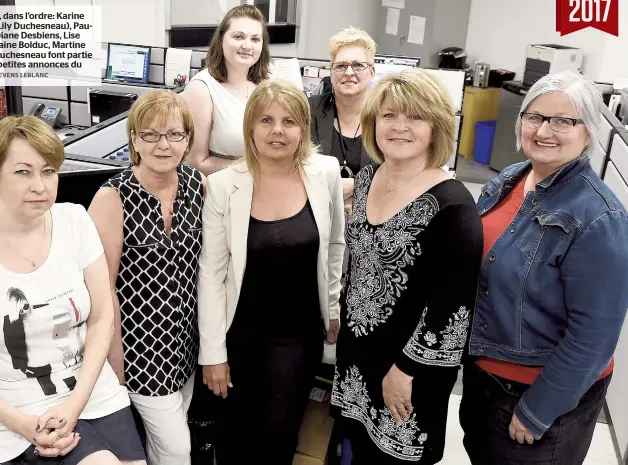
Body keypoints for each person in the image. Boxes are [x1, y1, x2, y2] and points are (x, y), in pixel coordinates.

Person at [0, 115, 146, 465]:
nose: (40, 186)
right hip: (17, 405)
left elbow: (103, 317)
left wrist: (76, 402)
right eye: (23, 172)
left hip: (91, 390)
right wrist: (22, 424)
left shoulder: (74, 221)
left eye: (48, 171)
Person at [459, 71, 628, 465]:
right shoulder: (508, 181)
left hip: (538, 398)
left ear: (588, 133)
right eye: (534, 117)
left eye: (563, 121)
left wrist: (540, 409)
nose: (544, 130)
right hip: (486, 378)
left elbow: (594, 337)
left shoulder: (600, 220)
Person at [330, 68, 483, 465]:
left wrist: (405, 369)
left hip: (409, 368)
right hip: (358, 355)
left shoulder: (454, 204)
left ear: (437, 128)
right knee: (352, 449)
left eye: (415, 117)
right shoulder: (366, 178)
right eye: (388, 116)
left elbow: (453, 308)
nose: (400, 127)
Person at [197, 78, 345, 464]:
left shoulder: (325, 173)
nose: (277, 131)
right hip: (239, 335)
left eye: (288, 121)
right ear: (250, 128)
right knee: (233, 438)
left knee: (280, 438)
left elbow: (334, 246)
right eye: (266, 120)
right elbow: (211, 274)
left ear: (303, 128)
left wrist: (332, 307)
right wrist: (213, 353)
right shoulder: (222, 186)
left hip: (298, 336)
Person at [88, 90, 205, 465]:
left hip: (186, 344)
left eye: (174, 134)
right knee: (177, 450)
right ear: (134, 139)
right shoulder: (113, 198)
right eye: (150, 134)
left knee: (166, 442)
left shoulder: (195, 184)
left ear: (187, 139)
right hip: (140, 350)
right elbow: (101, 287)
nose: (162, 145)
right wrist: (114, 356)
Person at [182, 4, 272, 176]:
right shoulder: (201, 89)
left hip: (263, 186)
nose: (247, 46)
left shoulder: (265, 86)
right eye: (238, 37)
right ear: (221, 39)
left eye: (255, 39)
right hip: (221, 191)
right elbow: (196, 162)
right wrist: (253, 169)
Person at [309, 27, 377, 214]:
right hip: (316, 214)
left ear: (371, 72)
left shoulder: (386, 117)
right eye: (340, 66)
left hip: (371, 217)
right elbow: (294, 163)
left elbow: (397, 172)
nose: (348, 72)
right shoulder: (308, 111)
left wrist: (355, 186)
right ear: (331, 73)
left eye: (358, 65)